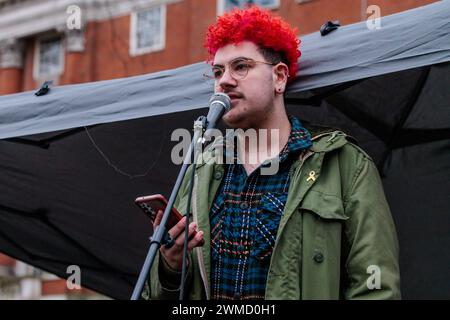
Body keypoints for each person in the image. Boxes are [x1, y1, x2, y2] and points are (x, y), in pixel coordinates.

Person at [142, 6, 400, 300]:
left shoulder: (345, 166)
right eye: (217, 71)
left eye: (240, 66)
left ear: (279, 77)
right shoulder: (199, 170)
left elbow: (376, 290)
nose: (223, 81)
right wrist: (171, 267)